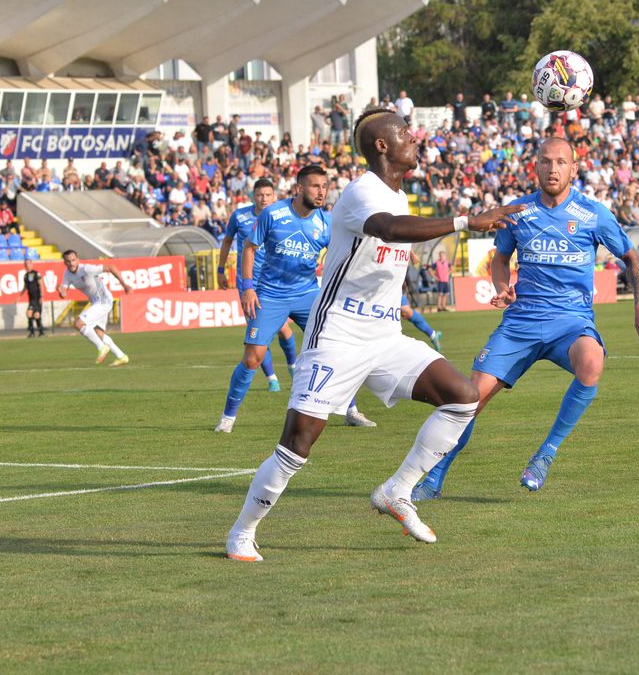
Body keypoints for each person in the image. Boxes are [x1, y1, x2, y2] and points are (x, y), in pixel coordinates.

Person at [225, 107, 524, 562]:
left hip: (384, 334)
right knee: (297, 445)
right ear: (382, 146)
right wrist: (467, 221)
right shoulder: (363, 192)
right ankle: (242, 531)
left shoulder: (400, 196)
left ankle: (396, 490)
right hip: (338, 335)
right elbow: (387, 228)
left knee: (463, 397)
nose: (415, 139)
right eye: (405, 133)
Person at [411, 136, 639, 501]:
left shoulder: (594, 214)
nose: (552, 169)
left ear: (574, 169)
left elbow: (632, 258)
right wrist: (502, 286)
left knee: (592, 361)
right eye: (545, 161)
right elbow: (500, 259)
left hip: (571, 322)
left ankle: (546, 453)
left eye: (561, 162)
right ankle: (434, 477)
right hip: (521, 323)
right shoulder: (516, 212)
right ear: (535, 167)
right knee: (468, 401)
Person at [218, 165, 375, 433]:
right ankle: (227, 418)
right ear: (300, 188)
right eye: (315, 186)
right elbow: (249, 247)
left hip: (307, 295)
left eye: (324, 187)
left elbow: (342, 254)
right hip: (270, 295)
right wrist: (247, 287)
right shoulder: (273, 213)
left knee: (335, 349)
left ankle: (350, 409)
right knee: (253, 358)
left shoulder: (326, 222)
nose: (321, 192)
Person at [215, 177, 297, 397]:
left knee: (282, 328)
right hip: (248, 283)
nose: (264, 199)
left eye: (268, 195)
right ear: (254, 196)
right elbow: (227, 241)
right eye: (260, 195)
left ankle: (292, 367)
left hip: (274, 281)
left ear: (274, 196)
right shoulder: (240, 216)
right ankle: (272, 379)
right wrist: (221, 270)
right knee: (256, 331)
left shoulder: (283, 216)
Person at [57, 250, 132, 366]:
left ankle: (101, 347)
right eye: (68, 261)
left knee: (78, 324)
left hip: (104, 300)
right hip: (96, 302)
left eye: (73, 260)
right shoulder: (67, 274)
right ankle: (122, 356)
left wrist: (124, 285)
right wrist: (61, 291)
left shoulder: (86, 269)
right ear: (65, 263)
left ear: (78, 260)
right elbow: (64, 294)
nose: (71, 263)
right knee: (98, 333)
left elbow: (111, 267)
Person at [24, 259, 45, 338]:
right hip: (31, 299)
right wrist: (19, 296)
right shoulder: (25, 275)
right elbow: (25, 287)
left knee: (34, 314)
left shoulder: (36, 273)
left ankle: (37, 332)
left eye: (29, 263)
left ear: (31, 264)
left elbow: (40, 285)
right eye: (26, 264)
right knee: (32, 314)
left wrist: (42, 296)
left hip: (37, 298)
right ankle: (35, 332)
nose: (27, 265)